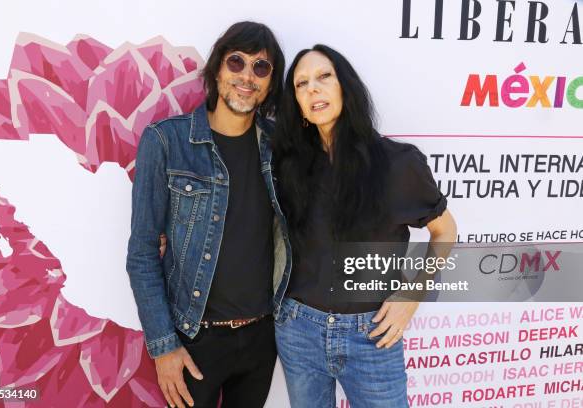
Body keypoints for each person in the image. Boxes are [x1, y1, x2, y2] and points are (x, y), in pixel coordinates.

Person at [272, 44, 457, 407]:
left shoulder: (398, 164)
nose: (312, 89)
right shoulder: (288, 165)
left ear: (347, 87)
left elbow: (445, 231)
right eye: (300, 84)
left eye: (324, 76)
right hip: (298, 329)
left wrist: (411, 295)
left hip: (372, 334)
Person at [126, 21, 291, 408]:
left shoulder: (282, 149)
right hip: (193, 339)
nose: (247, 76)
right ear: (217, 69)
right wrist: (164, 346)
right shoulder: (166, 142)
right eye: (236, 62)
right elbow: (142, 254)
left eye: (261, 67)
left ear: (270, 83)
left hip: (261, 341)